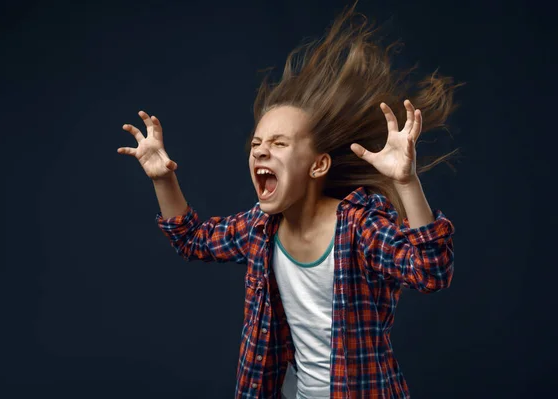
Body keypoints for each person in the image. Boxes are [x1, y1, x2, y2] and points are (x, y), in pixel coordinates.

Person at [117, 3, 458, 398]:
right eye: (257, 144)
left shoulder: (359, 229)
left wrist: (406, 182)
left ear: (318, 165)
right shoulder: (261, 230)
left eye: (279, 144)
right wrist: (163, 178)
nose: (261, 152)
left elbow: (431, 273)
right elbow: (192, 239)